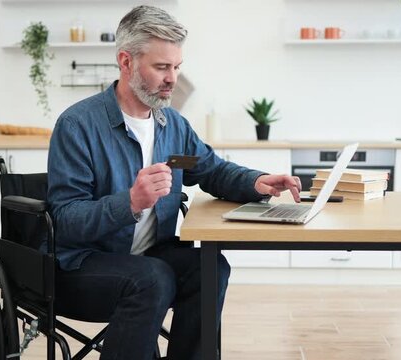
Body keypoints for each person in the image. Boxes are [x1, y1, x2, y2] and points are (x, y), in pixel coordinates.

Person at [47, 5, 302, 360]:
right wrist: (131, 202)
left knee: (211, 269)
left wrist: (257, 181)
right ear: (126, 62)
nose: (173, 79)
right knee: (152, 278)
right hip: (85, 265)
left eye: (177, 67)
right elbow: (66, 221)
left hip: (151, 257)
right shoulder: (77, 126)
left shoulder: (173, 125)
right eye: (162, 67)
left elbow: (211, 170)